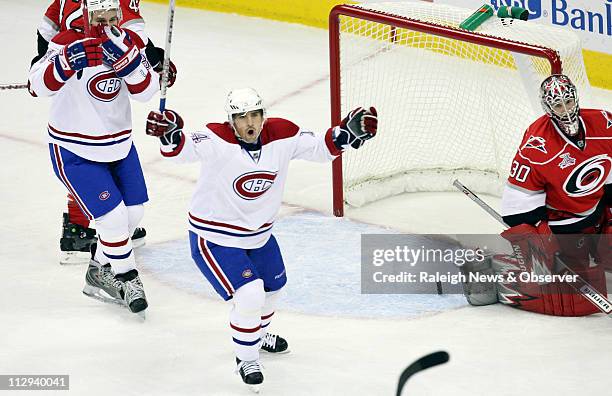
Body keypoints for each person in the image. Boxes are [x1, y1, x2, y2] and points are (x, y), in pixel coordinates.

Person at [145, 88, 377, 389]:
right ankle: (247, 357)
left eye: (255, 114)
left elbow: (321, 146)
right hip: (214, 236)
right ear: (231, 121)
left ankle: (254, 332)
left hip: (259, 235)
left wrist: (347, 133)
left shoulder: (282, 134)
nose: (249, 122)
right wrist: (170, 133)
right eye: (241, 117)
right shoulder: (216, 139)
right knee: (250, 294)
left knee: (274, 287)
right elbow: (182, 149)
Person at [28, 0, 159, 314]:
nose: (106, 22)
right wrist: (64, 64)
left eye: (112, 16)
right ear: (86, 15)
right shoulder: (65, 43)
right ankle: (127, 278)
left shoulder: (128, 43)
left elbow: (147, 90)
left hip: (119, 147)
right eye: (99, 16)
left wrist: (130, 64)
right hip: (74, 149)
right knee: (112, 219)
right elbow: (36, 85)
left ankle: (98, 270)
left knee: (134, 214)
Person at [463, 74, 611, 316]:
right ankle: (496, 271)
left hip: (598, 213)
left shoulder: (604, 123)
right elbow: (516, 209)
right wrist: (538, 245)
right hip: (564, 225)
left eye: (569, 102)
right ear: (547, 108)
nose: (566, 111)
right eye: (558, 105)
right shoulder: (536, 144)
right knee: (569, 299)